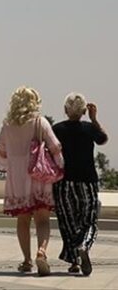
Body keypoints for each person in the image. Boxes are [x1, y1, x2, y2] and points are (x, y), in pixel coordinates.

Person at [0, 87, 63, 277]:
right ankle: (42, 251)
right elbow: (55, 146)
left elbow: (2, 152)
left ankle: (26, 260)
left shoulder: (6, 125)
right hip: (38, 175)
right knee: (42, 219)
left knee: (23, 220)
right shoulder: (40, 122)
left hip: (17, 177)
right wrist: (61, 167)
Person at [53, 94, 108, 276]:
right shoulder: (89, 128)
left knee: (68, 221)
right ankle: (84, 246)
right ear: (84, 111)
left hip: (64, 182)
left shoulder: (57, 129)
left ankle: (74, 260)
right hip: (87, 181)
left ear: (65, 109)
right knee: (89, 220)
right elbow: (103, 139)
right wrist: (94, 119)